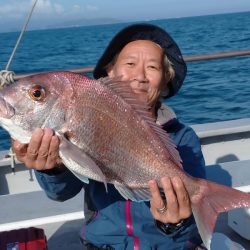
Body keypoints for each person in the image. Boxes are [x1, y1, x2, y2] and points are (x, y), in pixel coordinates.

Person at [12, 24, 206, 250]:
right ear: (110, 72)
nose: (140, 76)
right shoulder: (86, 123)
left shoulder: (183, 138)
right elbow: (60, 193)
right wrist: (52, 169)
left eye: (152, 67)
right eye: (130, 64)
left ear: (166, 79)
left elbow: (193, 223)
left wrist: (175, 223)